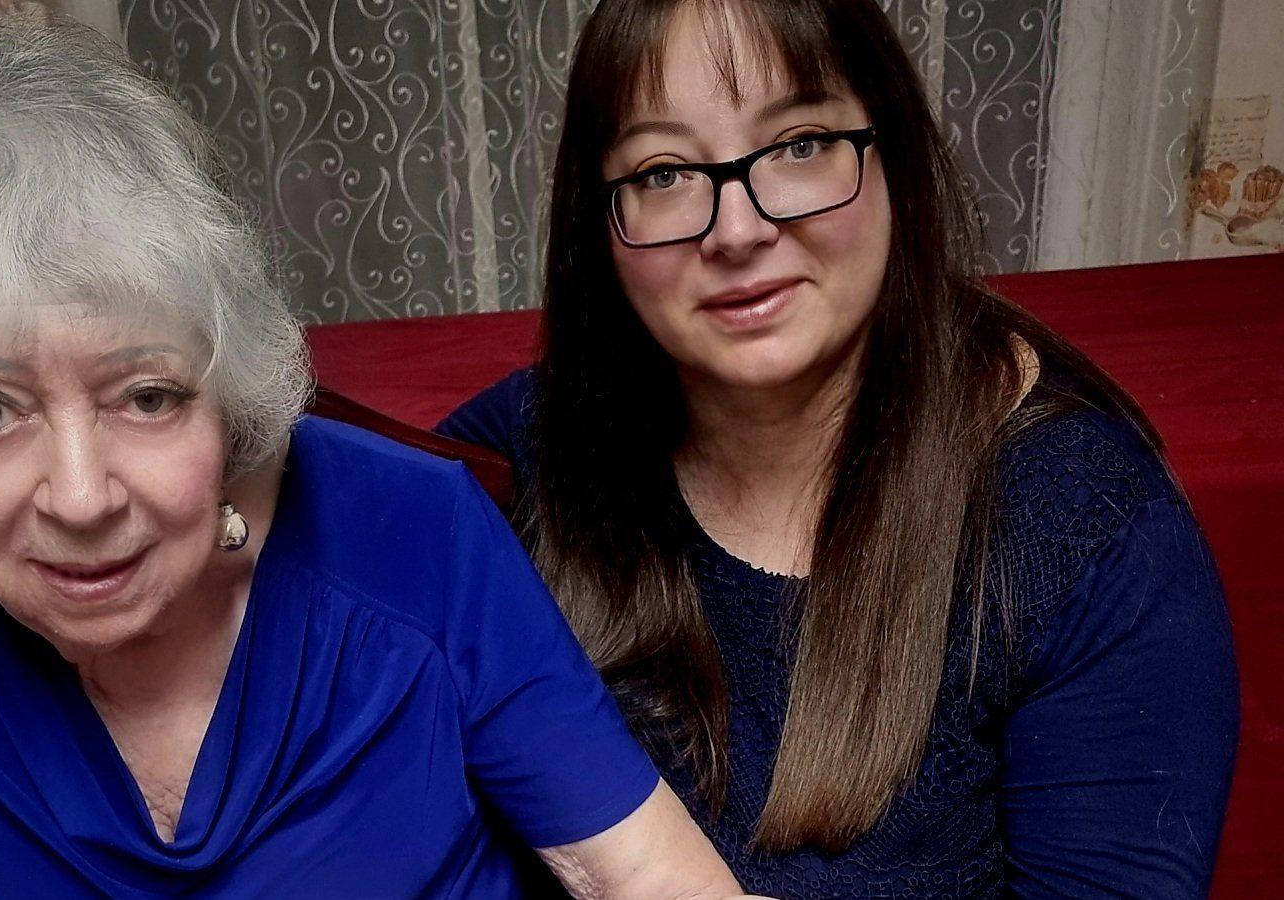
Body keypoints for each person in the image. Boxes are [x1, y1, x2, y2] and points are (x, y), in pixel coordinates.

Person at [0, 14, 753, 899]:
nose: (79, 498)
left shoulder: (414, 530)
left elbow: (646, 879)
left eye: (147, 396)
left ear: (228, 387)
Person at [437, 0, 1239, 896]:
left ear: (892, 152)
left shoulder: (1087, 527)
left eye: (799, 146)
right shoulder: (530, 448)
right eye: (664, 172)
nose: (735, 230)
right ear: (602, 223)